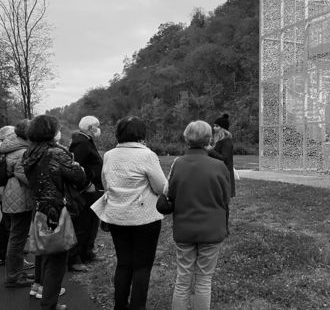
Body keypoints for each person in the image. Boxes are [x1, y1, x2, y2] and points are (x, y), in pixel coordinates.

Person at [90, 116, 166, 310]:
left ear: (119, 133)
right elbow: (160, 187)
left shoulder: (109, 155)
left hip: (117, 216)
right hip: (144, 218)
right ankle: (138, 306)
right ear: (141, 134)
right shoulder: (147, 155)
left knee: (124, 263)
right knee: (142, 266)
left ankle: (120, 305)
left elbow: (106, 184)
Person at [23, 115, 88, 310]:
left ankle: (47, 298)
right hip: (57, 210)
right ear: (50, 132)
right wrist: (76, 164)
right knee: (58, 259)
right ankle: (49, 303)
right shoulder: (55, 153)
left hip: (39, 207)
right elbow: (79, 177)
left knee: (47, 254)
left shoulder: (29, 153)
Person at [169, 120, 230, 310]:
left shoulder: (178, 164)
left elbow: (171, 195)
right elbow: (225, 200)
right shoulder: (219, 166)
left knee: (183, 279)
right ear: (209, 140)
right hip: (211, 229)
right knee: (204, 280)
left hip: (184, 228)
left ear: (186, 138)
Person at [0, 120, 35, 287]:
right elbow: (24, 175)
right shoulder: (21, 151)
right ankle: (13, 276)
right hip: (19, 194)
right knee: (17, 237)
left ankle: (17, 272)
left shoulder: (13, 147)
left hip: (13, 193)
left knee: (17, 236)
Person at [68, 116, 104, 272]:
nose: (99, 129)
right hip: (85, 190)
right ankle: (75, 258)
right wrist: (87, 183)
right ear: (90, 128)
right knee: (82, 224)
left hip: (93, 189)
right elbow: (76, 168)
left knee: (91, 223)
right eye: (97, 126)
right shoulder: (81, 144)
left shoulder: (86, 140)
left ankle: (87, 252)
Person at [208, 113, 235, 197]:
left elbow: (224, 159)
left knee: (223, 202)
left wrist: (211, 150)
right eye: (214, 126)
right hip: (218, 173)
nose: (214, 128)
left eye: (217, 126)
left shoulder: (226, 141)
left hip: (224, 175)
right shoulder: (218, 141)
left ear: (223, 128)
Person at [0, 125, 15, 266]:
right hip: (4, 189)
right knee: (7, 225)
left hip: (5, 189)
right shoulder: (5, 151)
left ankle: (3, 254)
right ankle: (5, 255)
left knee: (6, 223)